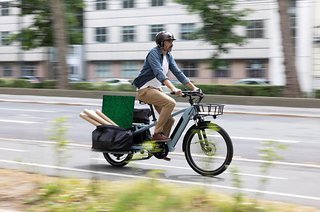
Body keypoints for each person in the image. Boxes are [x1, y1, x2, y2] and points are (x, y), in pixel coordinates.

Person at [132, 31, 199, 141]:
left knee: (170, 120)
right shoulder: (153, 54)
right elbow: (159, 73)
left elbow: (178, 73)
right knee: (170, 103)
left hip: (156, 90)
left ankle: (160, 147)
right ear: (161, 43)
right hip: (145, 90)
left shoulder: (168, 56)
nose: (171, 44)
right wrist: (173, 88)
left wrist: (194, 87)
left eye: (172, 41)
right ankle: (157, 134)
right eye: (169, 41)